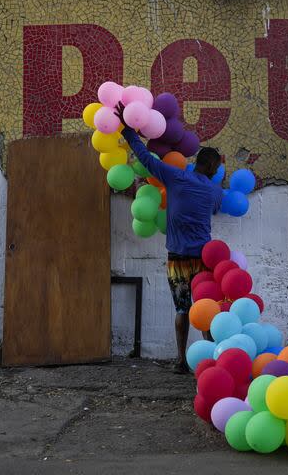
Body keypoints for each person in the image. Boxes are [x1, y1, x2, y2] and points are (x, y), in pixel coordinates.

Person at [115, 104, 223, 373]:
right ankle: (210, 358)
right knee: (205, 309)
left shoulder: (176, 177)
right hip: (203, 259)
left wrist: (128, 131)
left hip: (177, 256)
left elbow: (147, 159)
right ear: (213, 170)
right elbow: (215, 208)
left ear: (196, 163)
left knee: (182, 310)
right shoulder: (214, 192)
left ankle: (179, 360)